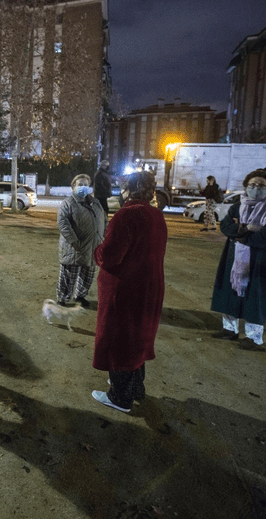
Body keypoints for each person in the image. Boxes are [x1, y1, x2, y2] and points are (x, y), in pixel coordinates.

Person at [91, 170, 167, 413]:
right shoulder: (156, 214)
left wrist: (97, 251)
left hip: (124, 290)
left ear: (128, 190)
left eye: (122, 189)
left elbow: (110, 256)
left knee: (120, 340)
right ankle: (135, 389)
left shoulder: (125, 216)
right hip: (149, 286)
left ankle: (119, 396)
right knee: (138, 338)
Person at [210, 170, 266, 351]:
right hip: (234, 257)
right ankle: (229, 329)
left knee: (255, 297)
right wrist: (248, 229)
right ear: (245, 186)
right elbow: (226, 226)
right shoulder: (237, 206)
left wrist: (241, 235)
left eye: (260, 186)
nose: (255, 189)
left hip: (259, 260)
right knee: (230, 291)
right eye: (252, 185)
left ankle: (253, 337)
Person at [56, 174, 105, 308]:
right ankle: (63, 298)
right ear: (73, 186)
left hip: (93, 245)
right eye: (80, 184)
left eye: (85, 184)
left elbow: (103, 220)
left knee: (88, 274)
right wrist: (73, 240)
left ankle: (80, 296)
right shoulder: (68, 203)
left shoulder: (95, 202)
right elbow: (62, 223)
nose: (83, 187)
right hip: (75, 246)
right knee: (69, 274)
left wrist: (102, 238)